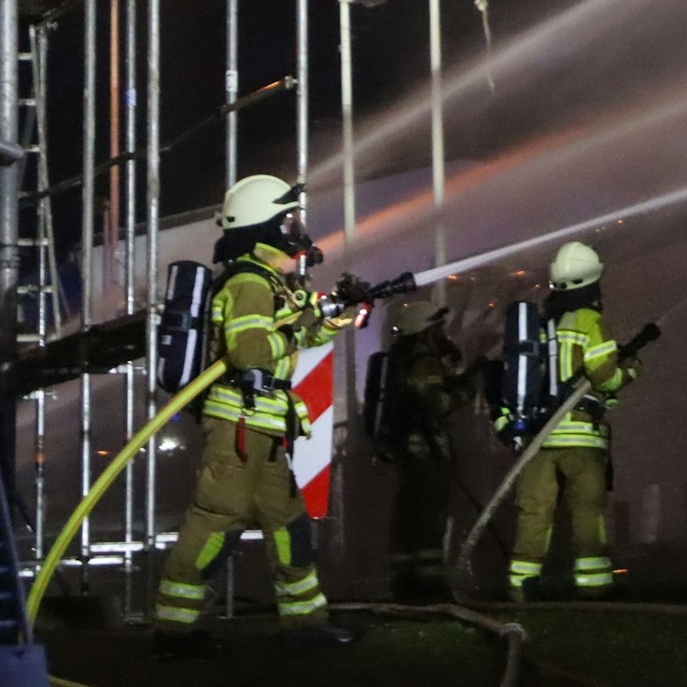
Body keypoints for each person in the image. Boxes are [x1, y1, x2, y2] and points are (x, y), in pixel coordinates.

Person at [151, 175, 361, 658]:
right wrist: (297, 330)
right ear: (263, 228)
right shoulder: (248, 282)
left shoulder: (273, 283)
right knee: (216, 522)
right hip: (240, 428)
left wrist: (330, 320)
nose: (295, 229)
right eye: (287, 220)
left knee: (288, 524)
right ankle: (174, 633)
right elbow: (249, 352)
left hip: (264, 428)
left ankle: (306, 621)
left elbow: (297, 338)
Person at [506, 241, 644, 601]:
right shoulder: (589, 321)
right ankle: (594, 588)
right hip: (582, 438)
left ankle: (521, 586)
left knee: (534, 512)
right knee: (587, 512)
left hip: (540, 439)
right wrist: (629, 370)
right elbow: (604, 377)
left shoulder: (542, 324)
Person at [379, 299, 472, 601]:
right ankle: (429, 587)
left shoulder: (399, 359)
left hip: (407, 451)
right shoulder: (423, 362)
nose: (441, 333)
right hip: (425, 453)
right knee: (429, 519)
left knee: (408, 519)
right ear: (425, 331)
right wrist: (469, 387)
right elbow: (438, 404)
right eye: (437, 328)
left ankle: (404, 583)